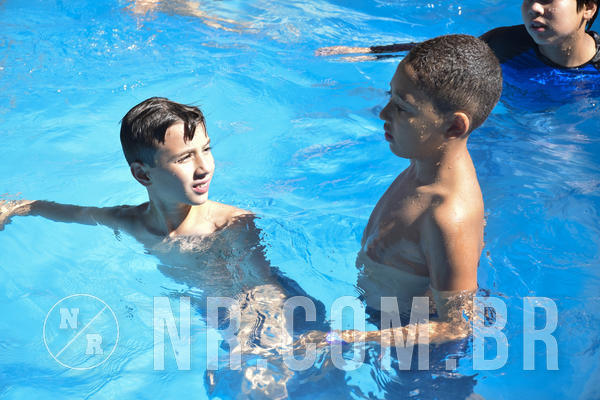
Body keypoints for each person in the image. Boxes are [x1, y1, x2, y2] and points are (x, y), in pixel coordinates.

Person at [0, 97, 326, 399]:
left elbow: (261, 290)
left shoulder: (231, 226)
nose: (204, 166)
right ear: (142, 174)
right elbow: (76, 213)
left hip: (286, 322)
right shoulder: (132, 222)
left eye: (206, 149)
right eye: (185, 157)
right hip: (220, 318)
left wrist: (257, 350)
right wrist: (18, 207)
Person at [326, 34, 503, 346]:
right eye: (390, 97)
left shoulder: (447, 215)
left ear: (453, 127)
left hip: (416, 352)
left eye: (402, 107)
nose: (383, 113)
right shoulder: (425, 162)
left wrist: (354, 340)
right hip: (383, 315)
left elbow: (458, 326)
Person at [316, 0, 599, 72]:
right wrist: (371, 52)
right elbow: (445, 51)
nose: (534, 8)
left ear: (588, 8)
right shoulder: (505, 45)